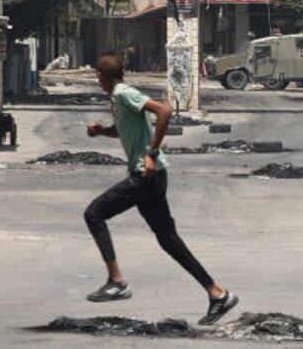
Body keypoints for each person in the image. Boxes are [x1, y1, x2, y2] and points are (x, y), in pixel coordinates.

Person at [82, 53, 238, 325]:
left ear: (101, 76)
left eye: (97, 74)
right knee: (167, 238)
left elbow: (164, 111)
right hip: (153, 177)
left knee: (94, 213)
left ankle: (116, 281)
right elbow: (124, 131)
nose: (97, 79)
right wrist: (101, 132)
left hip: (146, 176)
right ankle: (218, 294)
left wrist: (151, 153)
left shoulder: (123, 93)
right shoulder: (118, 98)